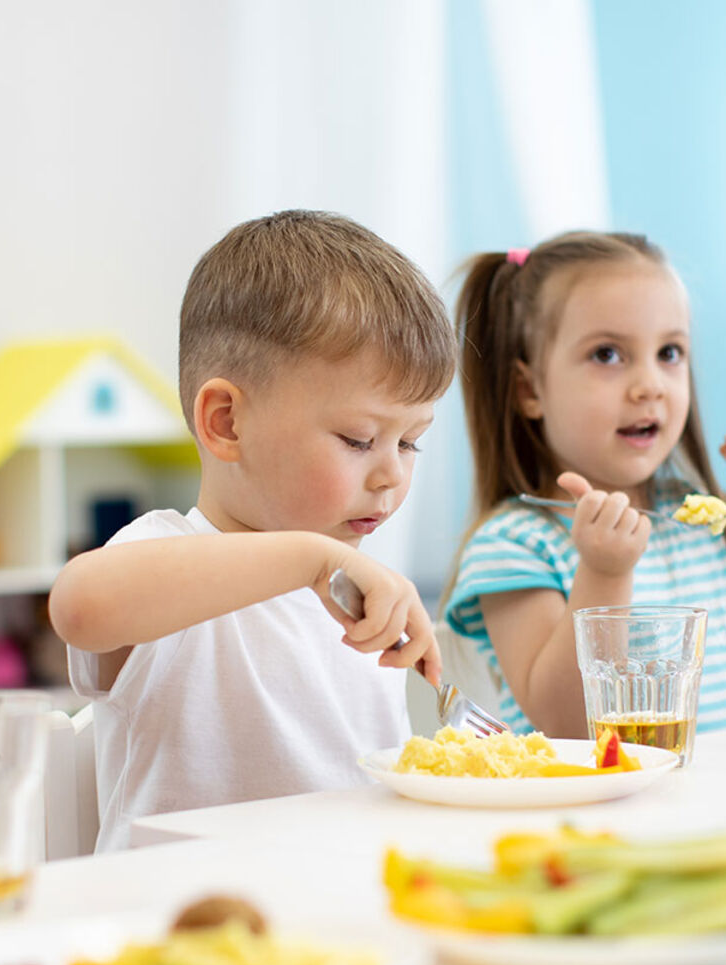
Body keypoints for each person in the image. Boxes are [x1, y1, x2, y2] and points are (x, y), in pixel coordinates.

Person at [48, 210, 456, 851]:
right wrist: (310, 560)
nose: (390, 477)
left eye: (410, 444)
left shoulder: (358, 594)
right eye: (359, 439)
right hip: (173, 932)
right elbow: (80, 604)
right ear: (228, 422)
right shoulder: (170, 556)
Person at [444, 231, 726, 736]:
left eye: (669, 353)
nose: (651, 386)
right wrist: (603, 572)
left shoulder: (695, 519)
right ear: (529, 389)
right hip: (595, 811)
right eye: (607, 355)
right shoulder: (512, 545)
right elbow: (568, 725)